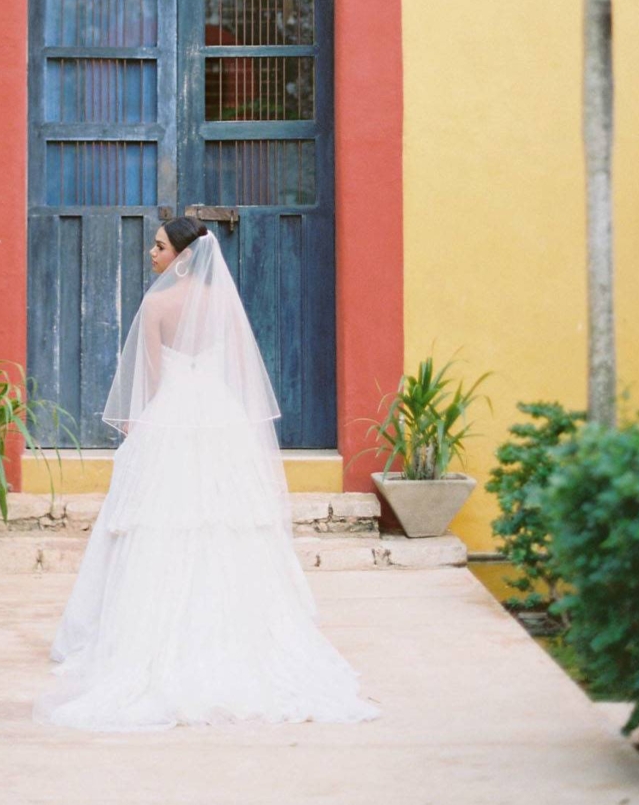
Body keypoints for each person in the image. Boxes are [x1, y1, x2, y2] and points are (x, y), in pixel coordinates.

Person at [31, 216, 381, 732]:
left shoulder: (155, 303)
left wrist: (141, 433)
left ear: (182, 255)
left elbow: (148, 379)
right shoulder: (222, 304)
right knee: (227, 520)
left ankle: (150, 639)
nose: (151, 254)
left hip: (172, 414)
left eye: (158, 246)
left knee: (162, 525)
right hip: (219, 417)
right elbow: (236, 370)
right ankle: (240, 634)